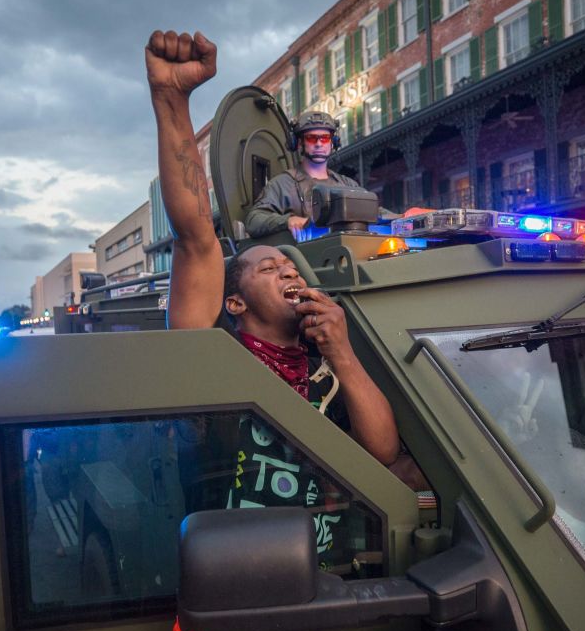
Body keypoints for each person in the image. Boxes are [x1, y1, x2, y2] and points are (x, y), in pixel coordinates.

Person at [146, 30, 401, 472]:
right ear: (234, 301)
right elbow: (196, 236)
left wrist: (341, 351)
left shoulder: (325, 369)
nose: (290, 273)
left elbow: (381, 454)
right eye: (269, 266)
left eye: (293, 269)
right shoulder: (217, 362)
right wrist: (171, 99)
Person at [244, 110, 363, 239]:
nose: (318, 144)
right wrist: (288, 220)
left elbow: (375, 211)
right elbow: (253, 220)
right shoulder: (283, 185)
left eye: (324, 138)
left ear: (332, 142)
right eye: (311, 138)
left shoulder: (348, 185)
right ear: (299, 143)